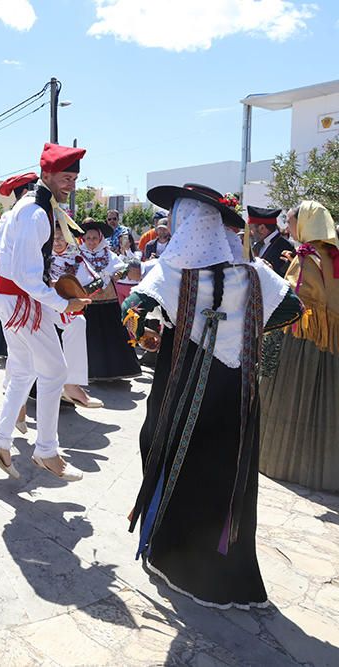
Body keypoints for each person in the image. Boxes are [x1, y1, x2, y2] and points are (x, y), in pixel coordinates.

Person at [124, 183, 300, 609]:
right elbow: (292, 307)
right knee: (228, 470)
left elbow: (133, 305)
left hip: (184, 385)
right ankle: (231, 576)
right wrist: (246, 326)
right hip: (238, 389)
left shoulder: (173, 273)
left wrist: (148, 330)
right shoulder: (255, 273)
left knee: (170, 452)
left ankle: (178, 562)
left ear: (187, 226)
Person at [0, 144, 91, 482]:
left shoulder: (35, 207)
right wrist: (62, 302)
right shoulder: (35, 212)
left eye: (74, 177)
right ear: (46, 175)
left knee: (23, 370)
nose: (71, 183)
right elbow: (26, 275)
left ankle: (1, 440)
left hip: (15, 298)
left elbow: (22, 269)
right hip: (21, 301)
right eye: (65, 177)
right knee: (55, 371)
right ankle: (46, 450)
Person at [260, 200, 339, 492]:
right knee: (323, 401)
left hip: (300, 340)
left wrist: (270, 275)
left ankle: (284, 461)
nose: (289, 228)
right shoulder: (330, 254)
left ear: (305, 223)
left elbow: (294, 298)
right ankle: (320, 467)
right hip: (329, 342)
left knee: (292, 396)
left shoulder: (307, 256)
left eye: (292, 222)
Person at [75, 218, 141, 382]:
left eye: (94, 238)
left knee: (113, 335)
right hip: (88, 302)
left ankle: (116, 371)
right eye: (88, 238)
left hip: (109, 301)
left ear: (100, 239)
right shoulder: (78, 256)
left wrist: (119, 274)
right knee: (91, 337)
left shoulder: (109, 254)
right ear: (84, 239)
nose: (91, 242)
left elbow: (121, 268)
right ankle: (92, 372)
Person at [0, 173, 39, 358]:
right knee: (23, 355)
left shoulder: (38, 212)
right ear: (26, 192)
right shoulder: (11, 216)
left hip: (31, 291)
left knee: (25, 356)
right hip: (15, 293)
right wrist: (3, 270)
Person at [49, 224, 102, 409]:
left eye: (60, 238)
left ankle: (71, 385)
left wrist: (78, 292)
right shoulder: (40, 256)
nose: (57, 242)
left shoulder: (76, 259)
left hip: (65, 307)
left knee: (78, 322)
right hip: (40, 305)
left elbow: (97, 282)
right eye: (53, 238)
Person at [247, 206, 292, 276]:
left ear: (262, 228)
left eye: (251, 228)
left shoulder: (285, 247)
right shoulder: (257, 245)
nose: (249, 233)